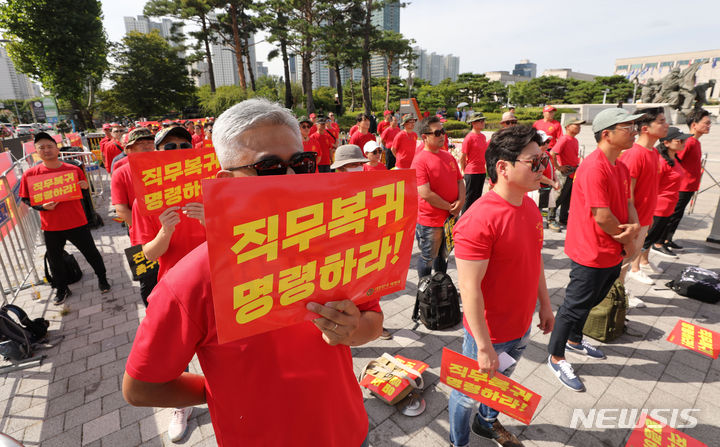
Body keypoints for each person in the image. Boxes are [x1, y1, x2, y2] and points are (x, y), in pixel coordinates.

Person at [123, 98, 383, 447]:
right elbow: (141, 387)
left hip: (350, 433)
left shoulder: (336, 246)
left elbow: (373, 322)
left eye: (302, 163)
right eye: (271, 167)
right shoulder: (191, 281)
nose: (291, 177)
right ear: (227, 181)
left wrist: (352, 331)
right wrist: (216, 392)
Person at [449, 125, 554, 447]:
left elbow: (534, 261)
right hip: (488, 335)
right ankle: (459, 440)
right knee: (466, 395)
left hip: (520, 328)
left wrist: (546, 305)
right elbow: (469, 289)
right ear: (503, 167)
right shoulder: (478, 220)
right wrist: (482, 346)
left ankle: (487, 422)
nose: (543, 169)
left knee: (501, 386)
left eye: (544, 159)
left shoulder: (531, 207)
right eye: (534, 162)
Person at [546, 108, 642, 392]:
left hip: (612, 248)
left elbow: (627, 203)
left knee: (595, 298)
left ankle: (575, 339)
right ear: (607, 133)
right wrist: (628, 241)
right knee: (574, 305)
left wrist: (634, 227)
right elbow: (602, 216)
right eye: (628, 127)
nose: (634, 131)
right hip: (591, 250)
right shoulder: (593, 166)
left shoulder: (620, 166)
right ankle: (556, 355)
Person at [128, 126, 207, 441]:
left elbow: (240, 236)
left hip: (215, 283)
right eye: (168, 147)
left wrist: (210, 219)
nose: (176, 151)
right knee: (179, 353)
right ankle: (182, 405)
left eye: (183, 145)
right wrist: (165, 232)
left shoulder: (213, 186)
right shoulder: (144, 200)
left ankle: (230, 391)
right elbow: (142, 258)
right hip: (175, 287)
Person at [19, 132, 111, 305]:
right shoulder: (30, 174)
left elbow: (82, 192)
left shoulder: (73, 169)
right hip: (51, 226)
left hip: (76, 222)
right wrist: (41, 206)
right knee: (55, 261)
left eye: (50, 146)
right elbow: (25, 198)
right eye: (42, 147)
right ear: (36, 152)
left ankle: (103, 278)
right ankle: (61, 289)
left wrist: (84, 187)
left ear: (57, 148)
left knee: (91, 253)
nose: (46, 150)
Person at [619, 108, 669, 294]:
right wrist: (634, 224)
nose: (667, 125)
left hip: (644, 219)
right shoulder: (634, 154)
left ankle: (620, 293)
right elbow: (626, 194)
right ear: (646, 128)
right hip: (633, 222)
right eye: (661, 121)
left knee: (627, 262)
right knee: (622, 264)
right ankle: (617, 296)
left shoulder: (653, 153)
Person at [411, 116, 464, 278]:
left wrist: (461, 202)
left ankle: (441, 286)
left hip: (450, 218)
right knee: (428, 258)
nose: (442, 135)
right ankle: (425, 291)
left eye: (443, 131)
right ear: (424, 137)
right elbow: (425, 193)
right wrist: (450, 207)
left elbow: (460, 180)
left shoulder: (448, 156)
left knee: (444, 255)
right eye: (438, 132)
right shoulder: (420, 161)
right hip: (430, 221)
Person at [110, 128, 158, 307]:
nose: (147, 147)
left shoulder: (168, 167)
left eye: (149, 143)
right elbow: (121, 210)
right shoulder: (121, 173)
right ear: (129, 149)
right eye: (140, 144)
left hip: (172, 230)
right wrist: (146, 231)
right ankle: (154, 318)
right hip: (141, 237)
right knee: (149, 281)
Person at [640, 127, 691, 269]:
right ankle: (634, 267)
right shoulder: (661, 162)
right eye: (679, 140)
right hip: (658, 207)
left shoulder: (674, 159)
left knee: (653, 237)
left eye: (684, 140)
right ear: (667, 143)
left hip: (669, 206)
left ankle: (644, 261)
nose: (683, 143)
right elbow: (652, 187)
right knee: (646, 238)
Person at [663, 109, 712, 250]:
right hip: (682, 187)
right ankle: (661, 242)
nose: (709, 126)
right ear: (694, 125)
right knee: (672, 215)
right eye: (706, 123)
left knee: (677, 215)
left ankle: (668, 239)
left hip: (689, 186)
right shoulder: (688, 142)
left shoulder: (695, 142)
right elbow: (674, 160)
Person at [548, 119, 585, 229]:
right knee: (558, 195)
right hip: (563, 173)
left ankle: (563, 218)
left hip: (572, 172)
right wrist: (558, 167)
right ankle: (551, 218)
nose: (579, 127)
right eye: (576, 125)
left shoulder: (574, 140)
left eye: (580, 126)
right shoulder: (564, 139)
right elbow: (553, 153)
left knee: (567, 197)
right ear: (568, 127)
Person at [459, 112, 488, 213]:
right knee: (469, 199)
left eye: (483, 120)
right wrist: (464, 171)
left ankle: (473, 220)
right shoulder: (469, 138)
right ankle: (463, 221)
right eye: (480, 121)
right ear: (473, 123)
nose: (483, 122)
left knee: (477, 199)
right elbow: (462, 157)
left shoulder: (483, 137)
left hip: (481, 171)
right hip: (471, 172)